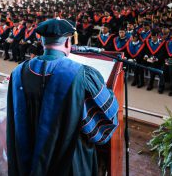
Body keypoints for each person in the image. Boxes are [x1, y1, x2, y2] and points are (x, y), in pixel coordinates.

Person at [7, 18, 118, 176]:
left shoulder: (18, 72)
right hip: (70, 162)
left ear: (42, 41)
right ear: (67, 43)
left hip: (28, 157)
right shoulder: (82, 74)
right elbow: (104, 121)